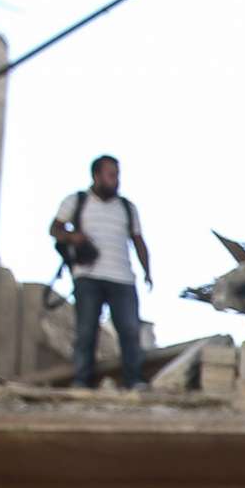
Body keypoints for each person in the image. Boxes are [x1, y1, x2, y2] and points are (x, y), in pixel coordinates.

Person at [50, 156, 150, 389]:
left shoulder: (127, 208)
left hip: (122, 277)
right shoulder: (77, 201)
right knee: (86, 331)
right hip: (88, 276)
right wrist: (73, 237)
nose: (116, 180)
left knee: (129, 329)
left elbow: (138, 241)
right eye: (111, 175)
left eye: (117, 175)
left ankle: (133, 380)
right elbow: (54, 228)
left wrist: (147, 271)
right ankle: (82, 381)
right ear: (96, 176)